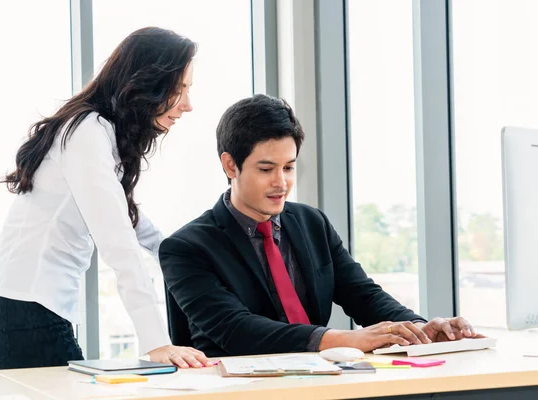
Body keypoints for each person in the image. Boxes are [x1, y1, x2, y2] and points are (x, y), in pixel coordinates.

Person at [159, 94, 480, 357]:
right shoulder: (186, 249)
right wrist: (346, 339)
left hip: (319, 381)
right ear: (231, 165)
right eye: (266, 169)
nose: (280, 183)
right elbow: (236, 329)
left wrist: (418, 329)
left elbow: (363, 295)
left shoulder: (311, 222)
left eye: (288, 167)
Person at [0, 27, 211, 370]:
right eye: (179, 90)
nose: (188, 106)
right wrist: (156, 342)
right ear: (145, 83)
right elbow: (117, 239)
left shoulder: (98, 131)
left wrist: (182, 257)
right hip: (24, 311)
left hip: (21, 307)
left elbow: (131, 220)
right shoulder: (88, 132)